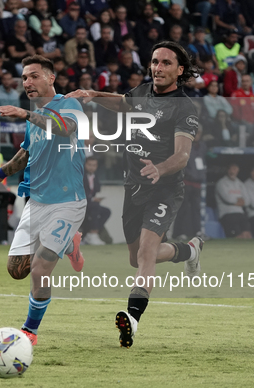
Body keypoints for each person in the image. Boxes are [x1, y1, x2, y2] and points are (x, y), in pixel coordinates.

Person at [65, 41, 203, 348]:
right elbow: (122, 103)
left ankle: (132, 320)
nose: (158, 67)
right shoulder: (141, 92)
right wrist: (93, 95)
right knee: (136, 258)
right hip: (134, 187)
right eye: (155, 61)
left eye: (166, 63)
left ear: (180, 71)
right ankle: (189, 250)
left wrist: (160, 168)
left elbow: (182, 156)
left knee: (145, 254)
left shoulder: (184, 108)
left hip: (165, 188)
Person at [0, 55, 86, 346]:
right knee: (16, 270)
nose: (27, 83)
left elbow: (65, 128)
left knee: (40, 269)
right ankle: (70, 242)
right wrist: (0, 173)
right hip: (36, 201)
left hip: (68, 201)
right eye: (24, 77)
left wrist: (26, 114)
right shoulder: (33, 117)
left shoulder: (69, 104)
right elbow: (26, 153)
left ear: (51, 78)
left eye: (34, 76)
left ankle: (29, 331)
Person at [172, 124, 206, 240]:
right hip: (186, 181)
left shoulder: (201, 147)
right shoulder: (184, 145)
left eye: (199, 133)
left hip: (197, 182)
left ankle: (197, 232)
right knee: (183, 208)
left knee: (196, 209)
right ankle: (178, 232)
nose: (197, 135)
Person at [215, 163, 252, 239]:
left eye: (235, 169)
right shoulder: (221, 183)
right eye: (232, 169)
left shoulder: (240, 183)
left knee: (247, 236)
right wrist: (240, 200)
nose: (233, 172)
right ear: (228, 170)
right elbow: (228, 199)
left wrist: (237, 201)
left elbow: (248, 201)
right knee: (238, 237)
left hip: (240, 213)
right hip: (227, 214)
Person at [81, 156, 111, 246]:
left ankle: (91, 233)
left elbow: (96, 190)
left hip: (90, 204)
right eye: (89, 165)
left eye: (94, 165)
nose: (91, 167)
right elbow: (79, 192)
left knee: (106, 212)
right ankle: (93, 234)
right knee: (95, 206)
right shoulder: (81, 175)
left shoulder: (95, 176)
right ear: (85, 164)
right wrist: (92, 199)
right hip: (81, 203)